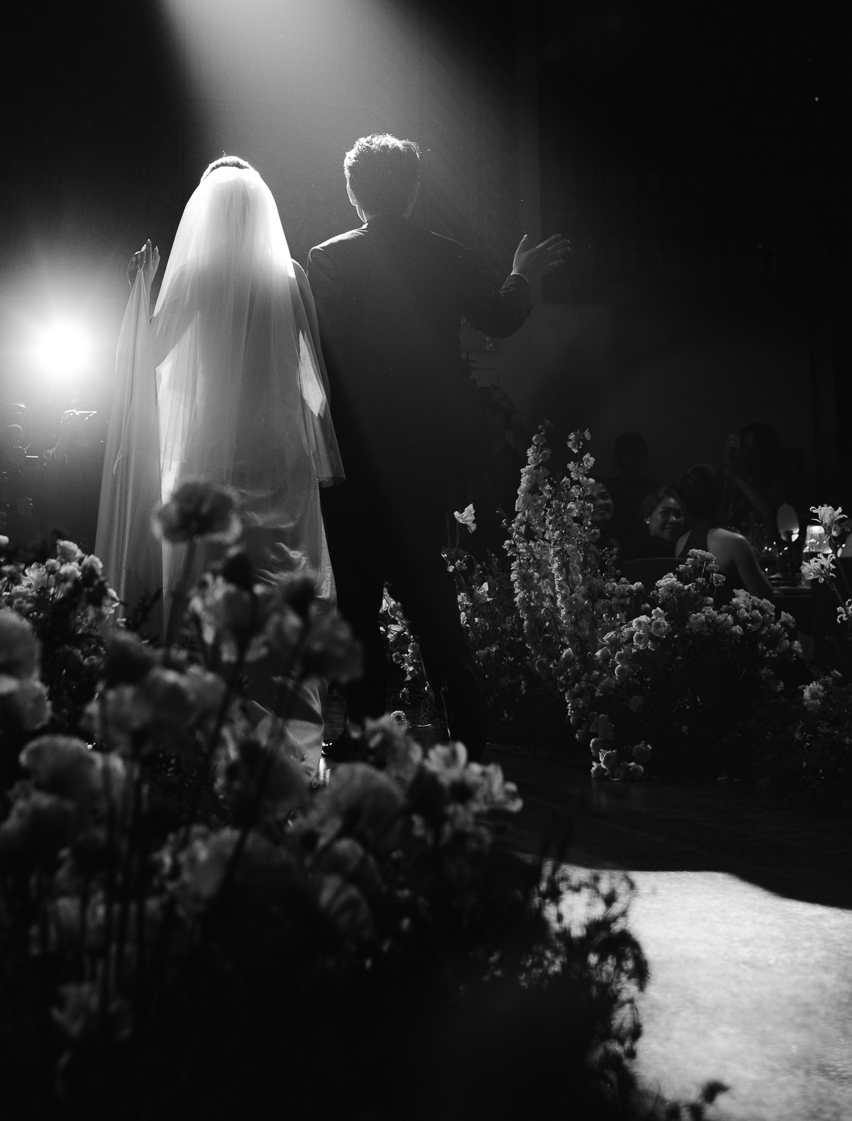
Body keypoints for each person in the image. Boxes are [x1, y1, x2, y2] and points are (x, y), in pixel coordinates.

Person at [306, 132, 569, 760]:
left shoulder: (328, 258)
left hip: (352, 457)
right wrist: (522, 276)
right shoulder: (446, 254)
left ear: (353, 192)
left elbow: (320, 351)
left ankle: (362, 739)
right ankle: (469, 738)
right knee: (429, 597)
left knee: (358, 603)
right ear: (414, 190)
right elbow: (501, 317)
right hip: (424, 456)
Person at [95, 156, 342, 774]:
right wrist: (301, 429)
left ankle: (210, 736)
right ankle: (288, 743)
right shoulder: (289, 276)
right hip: (279, 451)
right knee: (280, 579)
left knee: (209, 579)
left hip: (212, 447)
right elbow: (314, 385)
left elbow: (151, 356)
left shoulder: (197, 275)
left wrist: (140, 293)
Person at [674, 462, 777, 600]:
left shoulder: (681, 542)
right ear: (723, 500)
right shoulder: (735, 543)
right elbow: (764, 596)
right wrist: (752, 558)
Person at [604, 433, 657, 560]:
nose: (636, 457)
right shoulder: (610, 488)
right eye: (630, 452)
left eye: (639, 452)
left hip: (648, 550)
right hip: (618, 550)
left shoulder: (653, 489)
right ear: (620, 455)